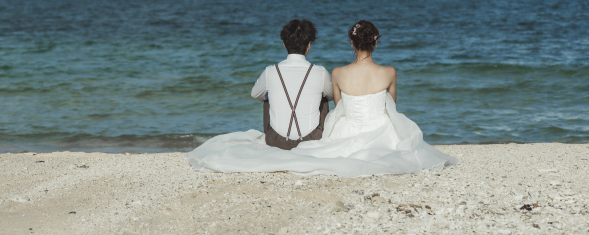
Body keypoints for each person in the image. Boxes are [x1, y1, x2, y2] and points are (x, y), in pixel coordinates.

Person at [187, 20, 458, 177]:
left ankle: (283, 133)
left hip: (289, 136)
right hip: (341, 134)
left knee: (274, 96)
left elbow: (256, 95)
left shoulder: (289, 71)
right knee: (321, 95)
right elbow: (387, 105)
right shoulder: (377, 72)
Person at [251, 19, 333, 150]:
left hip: (276, 141)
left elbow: (254, 94)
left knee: (266, 96)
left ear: (284, 44)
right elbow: (332, 95)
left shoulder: (271, 71)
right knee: (324, 96)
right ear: (309, 45)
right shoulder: (320, 72)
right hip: (312, 139)